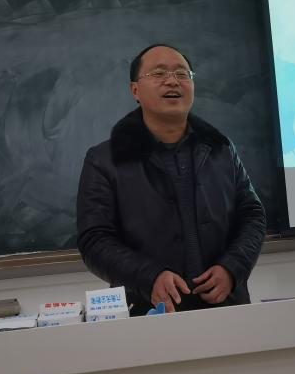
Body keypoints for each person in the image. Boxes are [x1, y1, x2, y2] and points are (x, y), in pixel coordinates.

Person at [76, 44, 266, 314]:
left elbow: (252, 215)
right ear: (135, 90)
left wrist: (232, 268)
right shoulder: (104, 160)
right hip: (148, 312)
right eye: (158, 74)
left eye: (182, 73)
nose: (172, 81)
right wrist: (149, 277)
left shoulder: (221, 149)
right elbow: (94, 239)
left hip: (226, 309)